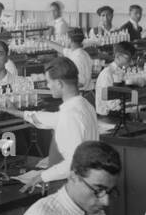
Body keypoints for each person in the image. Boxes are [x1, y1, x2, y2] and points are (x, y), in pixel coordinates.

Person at [14, 58, 99, 190]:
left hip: (71, 185)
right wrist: (18, 113)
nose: (48, 86)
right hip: (86, 180)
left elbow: (73, 163)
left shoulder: (70, 114)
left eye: (49, 82)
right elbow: (51, 119)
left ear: (59, 83)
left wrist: (41, 177)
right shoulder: (84, 104)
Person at [95, 44, 133, 116]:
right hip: (107, 115)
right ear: (118, 56)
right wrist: (131, 106)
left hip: (118, 111)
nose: (131, 62)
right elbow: (110, 104)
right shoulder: (107, 74)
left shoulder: (120, 71)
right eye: (128, 58)